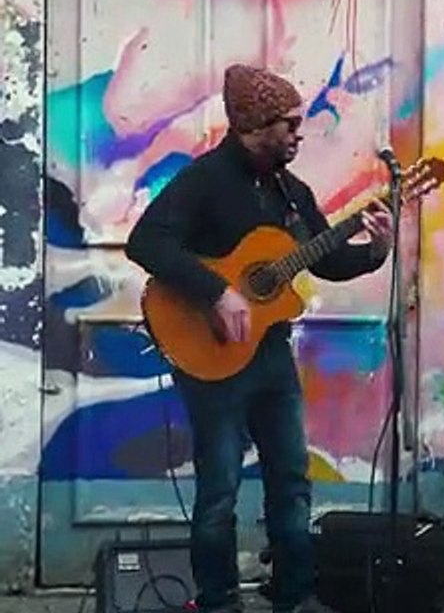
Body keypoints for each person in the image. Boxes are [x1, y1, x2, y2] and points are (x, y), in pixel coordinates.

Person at [125, 64, 393, 613]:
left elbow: (326, 258)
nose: (300, 133)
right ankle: (219, 601)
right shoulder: (204, 181)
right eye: (290, 124)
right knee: (219, 492)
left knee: (291, 481)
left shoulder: (292, 192)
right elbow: (145, 242)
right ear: (255, 125)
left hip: (270, 355)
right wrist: (217, 292)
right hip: (210, 357)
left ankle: (293, 596)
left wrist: (374, 251)